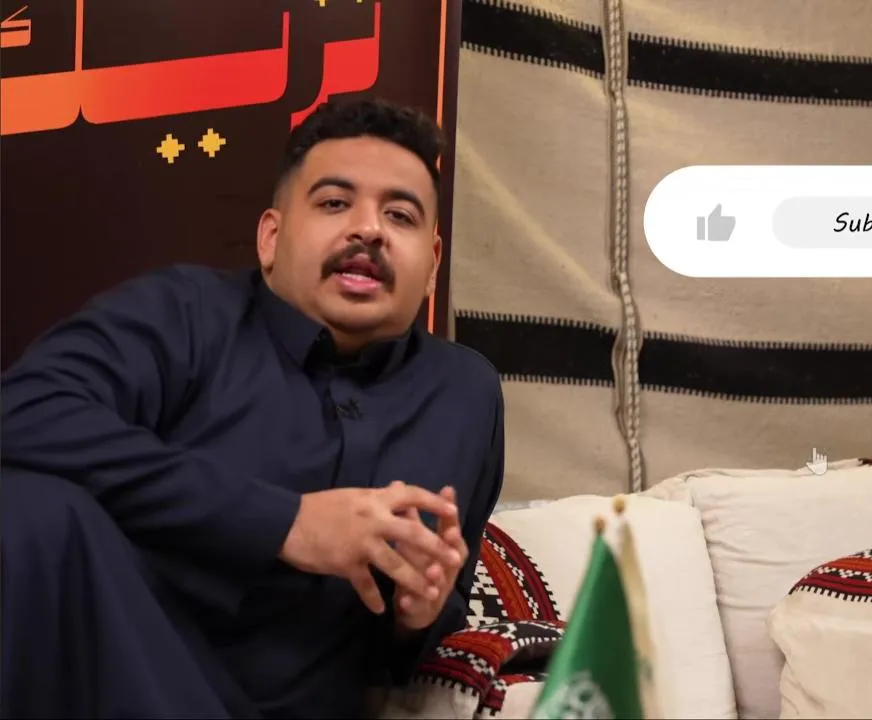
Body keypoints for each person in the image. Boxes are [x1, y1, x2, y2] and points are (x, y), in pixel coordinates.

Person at [0, 98, 504, 719]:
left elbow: (430, 623)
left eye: (399, 215)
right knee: (33, 504)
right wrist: (284, 522)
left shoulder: (466, 393)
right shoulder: (185, 313)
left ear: (432, 265)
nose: (369, 230)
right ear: (270, 237)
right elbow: (23, 410)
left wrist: (417, 615)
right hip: (127, 670)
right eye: (334, 203)